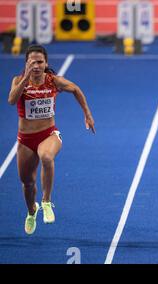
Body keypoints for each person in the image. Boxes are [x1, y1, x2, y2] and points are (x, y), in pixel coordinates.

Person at [8, 45, 95, 235]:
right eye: (32, 62)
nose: (36, 65)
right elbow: (11, 100)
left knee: (47, 157)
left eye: (40, 61)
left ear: (46, 63)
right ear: (27, 63)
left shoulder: (53, 81)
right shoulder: (18, 80)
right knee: (27, 183)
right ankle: (32, 211)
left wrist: (87, 114)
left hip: (49, 134)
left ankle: (46, 201)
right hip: (25, 139)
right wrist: (25, 78)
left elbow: (76, 89)